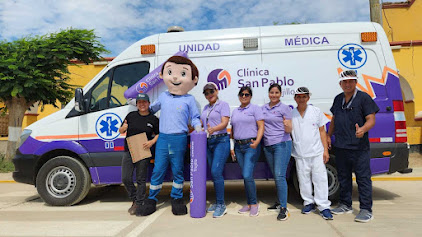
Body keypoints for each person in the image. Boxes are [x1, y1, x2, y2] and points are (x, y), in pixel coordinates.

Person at [140, 56, 202, 216]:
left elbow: (195, 117)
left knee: (178, 170)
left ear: (193, 80)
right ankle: (152, 199)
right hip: (163, 138)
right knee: (158, 170)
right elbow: (151, 110)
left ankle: (176, 199)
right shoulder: (163, 96)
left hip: (179, 139)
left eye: (181, 73)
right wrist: (137, 112)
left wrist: (198, 127)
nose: (175, 77)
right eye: (170, 72)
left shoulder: (189, 99)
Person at [328, 70, 379, 223]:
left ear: (356, 82)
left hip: (359, 147)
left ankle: (366, 209)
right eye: (345, 82)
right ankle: (345, 204)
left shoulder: (364, 98)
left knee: (363, 178)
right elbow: (334, 119)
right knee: (343, 177)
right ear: (340, 84)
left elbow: (371, 119)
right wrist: (328, 136)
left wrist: (363, 129)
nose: (348, 84)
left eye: (351, 81)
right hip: (342, 146)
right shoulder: (338, 99)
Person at [291, 87, 333, 220]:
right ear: (295, 98)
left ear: (308, 97)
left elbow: (322, 132)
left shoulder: (316, 111)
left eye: (304, 96)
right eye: (299, 96)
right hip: (300, 153)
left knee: (320, 179)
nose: (301, 99)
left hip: (316, 152)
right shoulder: (291, 114)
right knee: (303, 180)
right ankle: (308, 202)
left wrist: (325, 150)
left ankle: (323, 206)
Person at [119, 93, 159, 216]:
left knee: (141, 179)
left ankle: (139, 202)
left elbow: (158, 134)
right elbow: (120, 130)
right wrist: (124, 128)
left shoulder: (153, 119)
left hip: (143, 150)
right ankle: (135, 198)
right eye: (139, 102)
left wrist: (151, 142)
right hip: (129, 150)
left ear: (148, 104)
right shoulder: (131, 116)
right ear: (137, 104)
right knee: (125, 178)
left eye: (144, 102)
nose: (142, 104)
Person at [230, 86, 264, 217]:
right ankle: (250, 203)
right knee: (246, 177)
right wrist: (232, 147)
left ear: (250, 96)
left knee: (247, 175)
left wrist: (257, 141)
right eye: (242, 94)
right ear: (239, 96)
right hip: (238, 147)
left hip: (251, 145)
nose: (244, 97)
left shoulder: (255, 109)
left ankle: (254, 204)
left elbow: (261, 127)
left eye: (247, 94)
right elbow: (232, 131)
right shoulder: (235, 111)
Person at [261, 83, 293, 221]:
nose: (274, 95)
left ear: (280, 94)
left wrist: (287, 126)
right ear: (268, 94)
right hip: (268, 145)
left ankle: (284, 208)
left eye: (276, 93)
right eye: (271, 92)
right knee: (276, 175)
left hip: (282, 144)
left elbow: (289, 129)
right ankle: (280, 202)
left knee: (280, 175)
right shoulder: (263, 108)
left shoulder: (284, 108)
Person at [201, 83, 230, 218]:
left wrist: (214, 129)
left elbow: (225, 123)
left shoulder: (223, 105)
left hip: (221, 140)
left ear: (216, 91)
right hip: (208, 142)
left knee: (216, 171)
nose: (209, 94)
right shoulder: (206, 107)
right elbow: (203, 124)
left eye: (211, 91)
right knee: (214, 174)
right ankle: (217, 201)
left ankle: (221, 205)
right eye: (206, 93)